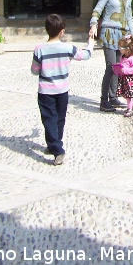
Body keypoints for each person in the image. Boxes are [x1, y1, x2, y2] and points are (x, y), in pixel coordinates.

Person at [31, 14, 94, 166]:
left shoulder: (39, 49)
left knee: (49, 119)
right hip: (63, 90)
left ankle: (57, 149)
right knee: (59, 118)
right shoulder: (68, 48)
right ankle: (55, 144)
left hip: (45, 91)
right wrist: (91, 42)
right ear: (62, 32)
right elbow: (85, 55)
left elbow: (34, 70)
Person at [89, 0, 133, 112]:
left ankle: (113, 97)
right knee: (110, 67)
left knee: (118, 67)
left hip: (122, 36)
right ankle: (104, 101)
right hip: (109, 33)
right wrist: (93, 24)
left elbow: (129, 17)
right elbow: (98, 9)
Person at [112, 35, 133, 117]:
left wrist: (126, 70)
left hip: (130, 79)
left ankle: (130, 109)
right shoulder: (122, 57)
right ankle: (132, 103)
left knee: (129, 95)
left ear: (128, 49)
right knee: (124, 94)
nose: (120, 49)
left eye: (121, 48)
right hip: (124, 78)